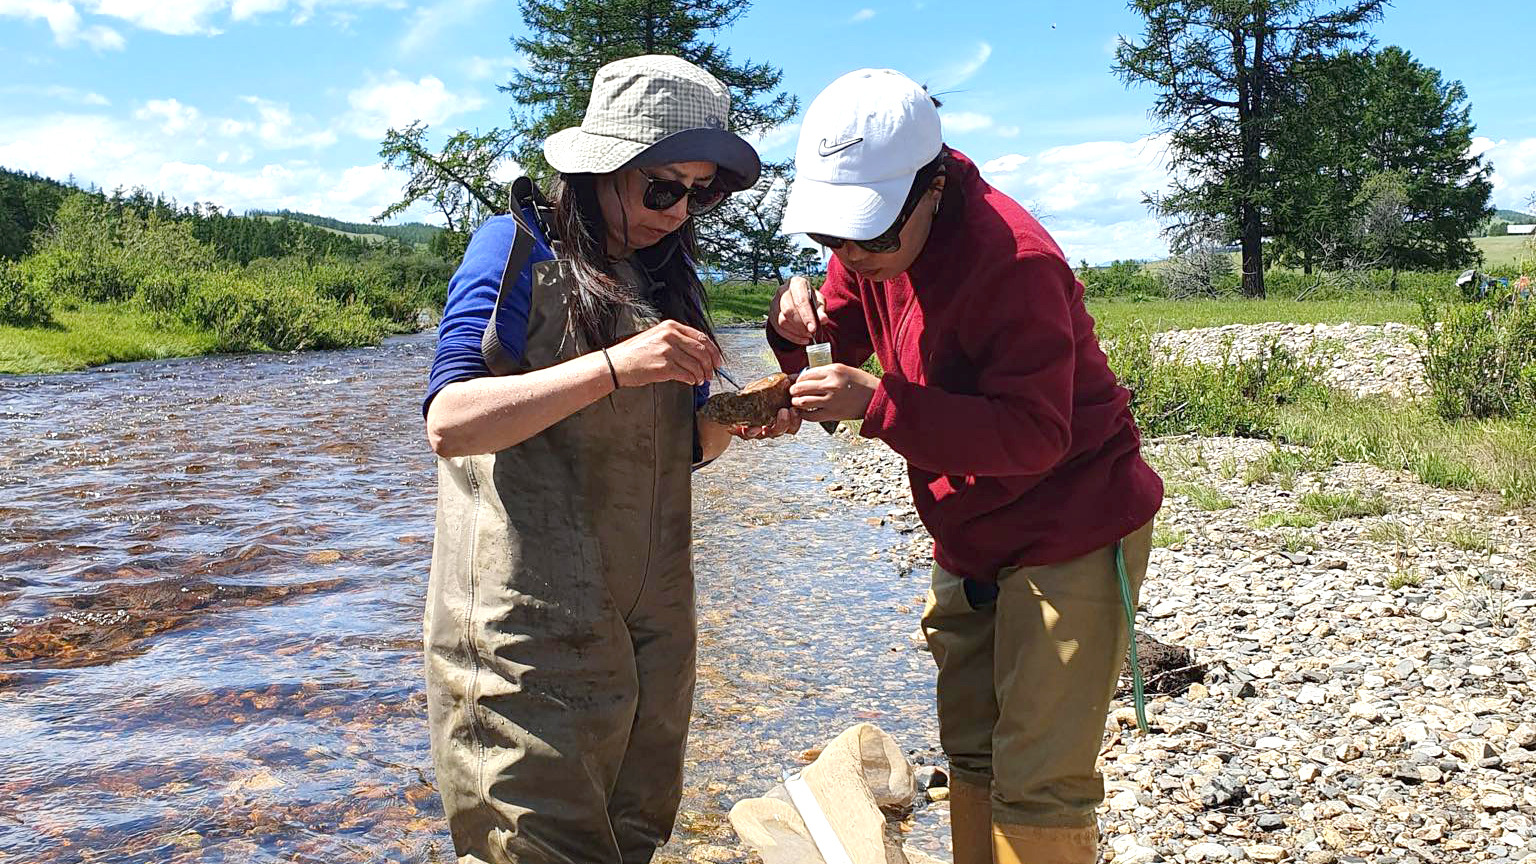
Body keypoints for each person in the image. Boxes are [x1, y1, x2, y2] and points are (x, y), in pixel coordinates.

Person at [765, 69, 1165, 864]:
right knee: (974, 753)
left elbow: (1035, 436)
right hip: (970, 527)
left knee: (1039, 780)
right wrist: (791, 332)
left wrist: (878, 406)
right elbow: (836, 340)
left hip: (1073, 522)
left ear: (934, 186)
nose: (853, 253)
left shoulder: (1014, 262)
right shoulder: (871, 237)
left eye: (871, 236)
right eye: (832, 238)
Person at [422, 55, 771, 864]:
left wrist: (746, 414)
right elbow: (450, 421)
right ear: (602, 166)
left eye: (702, 191)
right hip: (526, 635)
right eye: (664, 187)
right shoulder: (514, 245)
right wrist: (616, 365)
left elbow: (681, 448)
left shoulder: (660, 276)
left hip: (647, 634)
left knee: (631, 840)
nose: (682, 211)